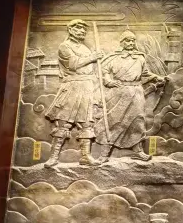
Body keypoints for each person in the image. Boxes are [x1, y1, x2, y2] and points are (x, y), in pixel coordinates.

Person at [95, 30, 165, 162]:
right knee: (114, 121)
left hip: (136, 91)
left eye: (133, 40)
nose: (131, 43)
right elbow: (104, 72)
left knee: (137, 121)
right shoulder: (114, 58)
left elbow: (145, 73)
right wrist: (108, 81)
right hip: (118, 91)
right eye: (128, 40)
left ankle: (138, 151)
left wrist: (157, 77)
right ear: (122, 42)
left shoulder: (140, 58)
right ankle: (104, 154)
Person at [43, 19, 105, 167]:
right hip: (72, 86)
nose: (82, 31)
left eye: (84, 29)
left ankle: (85, 156)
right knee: (63, 122)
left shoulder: (85, 48)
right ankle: (54, 157)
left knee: (87, 123)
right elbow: (73, 64)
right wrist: (93, 57)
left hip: (87, 87)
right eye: (78, 28)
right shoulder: (65, 46)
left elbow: (91, 69)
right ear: (70, 30)